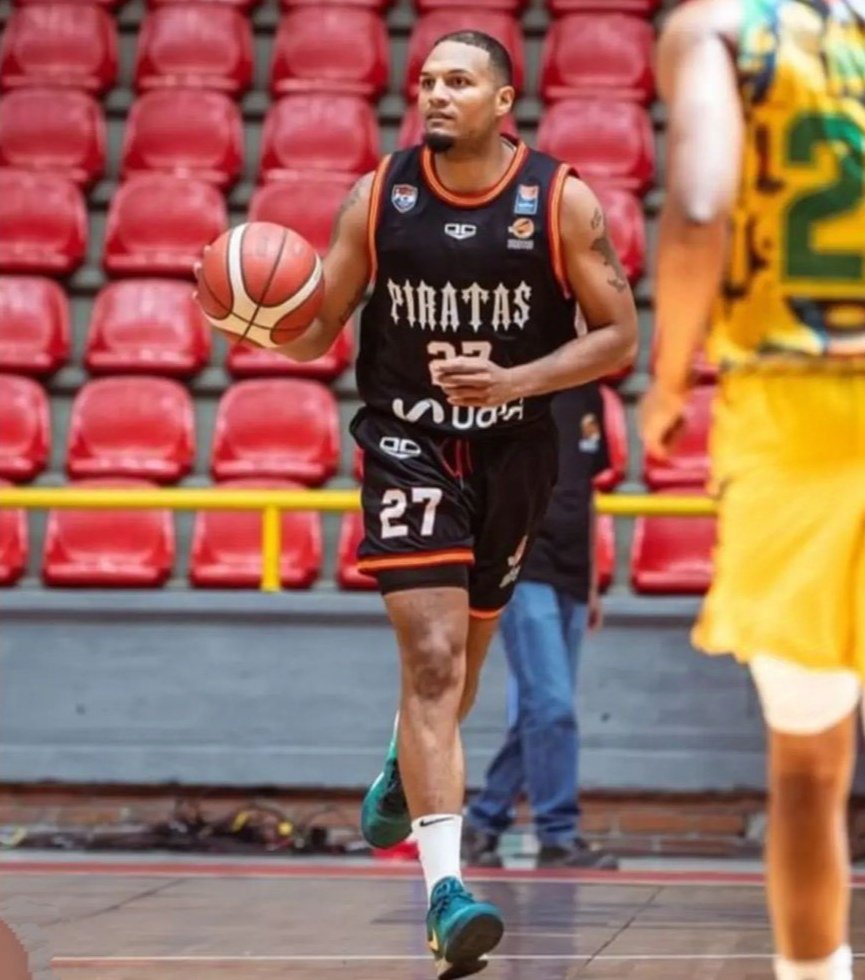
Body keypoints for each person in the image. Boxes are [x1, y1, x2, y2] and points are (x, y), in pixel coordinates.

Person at [199, 30, 637, 980]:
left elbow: (618, 338)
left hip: (515, 452)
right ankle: (447, 893)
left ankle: (406, 764)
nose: (436, 94)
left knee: (463, 661)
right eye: (427, 80)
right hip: (407, 446)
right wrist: (251, 317)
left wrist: (515, 379)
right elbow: (316, 330)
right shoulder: (378, 196)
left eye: (458, 81)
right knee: (433, 659)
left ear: (502, 99)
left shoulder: (559, 201)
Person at [640, 2, 865, 979]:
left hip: (791, 408)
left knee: (808, 760)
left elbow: (698, 209)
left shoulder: (719, 28)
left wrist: (666, 381)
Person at [462, 382, 620, 870]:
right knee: (551, 706)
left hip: (571, 573)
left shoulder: (589, 395)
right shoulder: (513, 381)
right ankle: (557, 833)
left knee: (543, 711)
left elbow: (587, 493)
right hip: (522, 567)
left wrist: (591, 583)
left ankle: (482, 821)